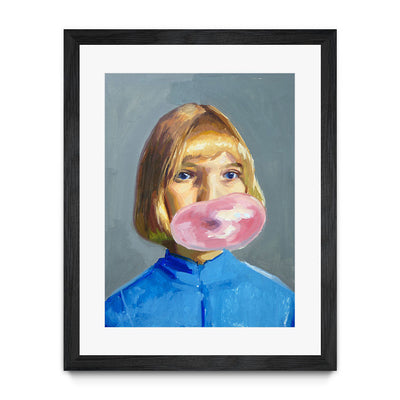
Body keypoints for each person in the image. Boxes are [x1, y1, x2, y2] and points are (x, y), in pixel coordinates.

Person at [105, 103, 294, 327]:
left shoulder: (283, 305)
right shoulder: (121, 311)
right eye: (185, 175)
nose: (210, 197)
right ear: (156, 192)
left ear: (247, 188)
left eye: (230, 174)